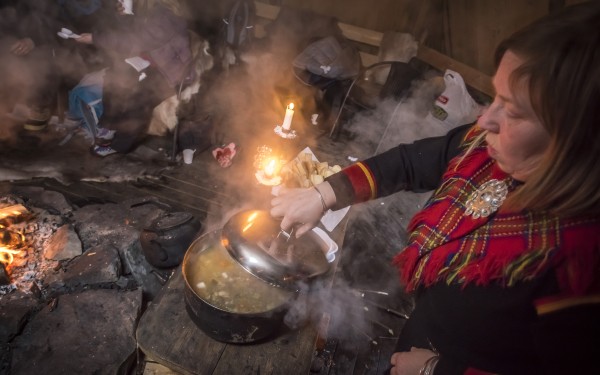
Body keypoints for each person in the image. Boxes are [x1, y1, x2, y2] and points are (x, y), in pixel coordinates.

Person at [270, 2, 600, 374]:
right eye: (495, 97)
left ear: (575, 137)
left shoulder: (580, 267)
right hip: (422, 333)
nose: (485, 118)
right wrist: (322, 195)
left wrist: (435, 370)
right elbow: (411, 162)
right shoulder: (485, 146)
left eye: (514, 110)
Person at [73, 0, 195, 157]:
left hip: (172, 72)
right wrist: (124, 17)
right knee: (116, 77)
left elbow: (138, 40)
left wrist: (95, 38)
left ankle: (119, 145)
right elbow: (132, 35)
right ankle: (109, 127)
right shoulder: (149, 9)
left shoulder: (166, 14)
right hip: (152, 64)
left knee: (140, 98)